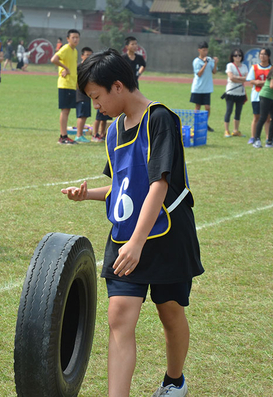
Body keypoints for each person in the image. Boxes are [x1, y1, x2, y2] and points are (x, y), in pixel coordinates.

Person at [62, 48, 203, 397]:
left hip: (166, 234)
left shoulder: (160, 119)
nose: (96, 105)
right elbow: (125, 186)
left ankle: (174, 382)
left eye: (97, 97)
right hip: (126, 237)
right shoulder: (113, 131)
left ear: (119, 86)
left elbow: (159, 183)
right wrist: (89, 194)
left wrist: (139, 243)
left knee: (170, 313)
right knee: (120, 316)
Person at [51, 29, 81, 144]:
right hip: (65, 84)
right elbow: (54, 59)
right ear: (68, 39)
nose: (75, 39)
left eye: (77, 37)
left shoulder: (75, 51)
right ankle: (63, 136)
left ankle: (64, 136)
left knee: (67, 110)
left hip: (72, 84)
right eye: (73, 37)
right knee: (65, 110)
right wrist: (65, 68)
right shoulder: (65, 49)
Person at [190, 41, 218, 132]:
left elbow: (214, 71)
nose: (205, 52)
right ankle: (196, 123)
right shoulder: (196, 61)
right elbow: (199, 74)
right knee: (197, 107)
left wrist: (216, 63)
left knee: (207, 107)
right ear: (199, 50)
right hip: (198, 88)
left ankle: (205, 123)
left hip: (207, 87)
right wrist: (205, 64)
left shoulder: (209, 59)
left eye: (206, 50)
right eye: (203, 50)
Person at [246, 48, 272, 144]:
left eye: (265, 54)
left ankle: (268, 137)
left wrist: (260, 82)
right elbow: (251, 80)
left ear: (268, 56)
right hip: (256, 95)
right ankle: (253, 136)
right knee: (256, 117)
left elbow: (272, 82)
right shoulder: (254, 67)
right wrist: (257, 82)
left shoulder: (272, 69)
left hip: (268, 96)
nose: (262, 56)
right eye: (261, 54)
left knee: (267, 118)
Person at [223, 48, 248, 137]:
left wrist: (236, 78)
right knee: (229, 111)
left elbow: (247, 78)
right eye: (235, 55)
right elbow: (231, 78)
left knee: (238, 112)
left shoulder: (244, 66)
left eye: (239, 55)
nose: (238, 57)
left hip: (240, 93)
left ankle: (236, 130)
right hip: (231, 92)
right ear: (232, 57)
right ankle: (226, 131)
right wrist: (240, 79)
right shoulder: (230, 65)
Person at [74, 47, 94, 143]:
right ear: (82, 56)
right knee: (81, 115)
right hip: (81, 94)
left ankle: (80, 134)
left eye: (91, 55)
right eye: (87, 55)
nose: (89, 57)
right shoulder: (79, 67)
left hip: (87, 94)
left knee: (85, 115)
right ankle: (78, 135)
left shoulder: (90, 68)